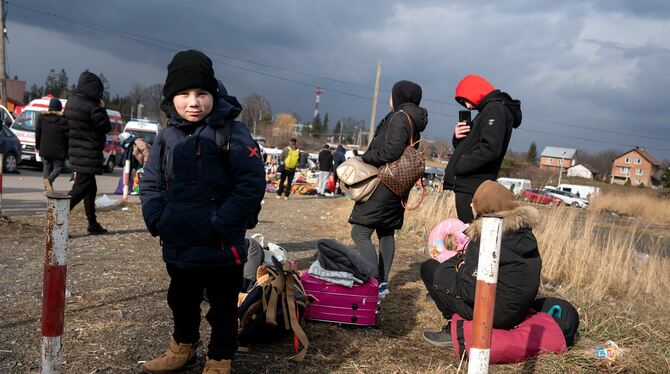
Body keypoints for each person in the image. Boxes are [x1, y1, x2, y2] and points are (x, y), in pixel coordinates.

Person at [139, 50, 265, 374]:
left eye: (201, 94)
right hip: (179, 244)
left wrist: (222, 223)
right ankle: (184, 348)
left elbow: (251, 184)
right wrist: (157, 219)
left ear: (213, 95)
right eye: (184, 94)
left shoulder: (233, 133)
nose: (193, 102)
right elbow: (151, 181)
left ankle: (221, 357)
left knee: (222, 307)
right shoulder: (166, 137)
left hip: (221, 246)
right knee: (181, 301)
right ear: (171, 98)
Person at [422, 180, 541, 347]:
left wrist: (455, 268)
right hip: (516, 311)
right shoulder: (524, 234)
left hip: (493, 313)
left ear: (485, 207)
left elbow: (470, 290)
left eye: (475, 201)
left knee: (430, 269)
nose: (471, 204)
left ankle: (455, 327)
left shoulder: (488, 234)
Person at [348, 80, 428, 298]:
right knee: (385, 231)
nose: (389, 98)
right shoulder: (413, 120)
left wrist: (365, 157)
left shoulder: (399, 118)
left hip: (384, 183)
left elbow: (391, 152)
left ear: (399, 96)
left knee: (360, 232)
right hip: (398, 185)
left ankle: (374, 282)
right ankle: (382, 283)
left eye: (392, 94)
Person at [442, 74, 522, 223]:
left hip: (472, 186)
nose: (467, 106)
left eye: (465, 99)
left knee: (471, 236)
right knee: (470, 235)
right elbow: (471, 147)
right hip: (471, 183)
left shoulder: (495, 110)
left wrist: (460, 166)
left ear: (474, 90)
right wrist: (458, 138)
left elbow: (490, 149)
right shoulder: (487, 111)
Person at [64, 72, 111, 235]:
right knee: (78, 191)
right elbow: (105, 126)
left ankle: (93, 223)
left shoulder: (71, 102)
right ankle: (57, 221)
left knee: (90, 189)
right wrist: (102, 108)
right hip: (88, 154)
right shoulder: (92, 106)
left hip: (76, 152)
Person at [35, 98, 68, 193]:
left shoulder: (42, 117)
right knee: (59, 166)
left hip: (44, 148)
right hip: (59, 149)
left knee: (47, 166)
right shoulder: (63, 119)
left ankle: (47, 188)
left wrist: (37, 146)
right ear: (59, 107)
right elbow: (67, 136)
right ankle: (49, 180)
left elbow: (38, 133)